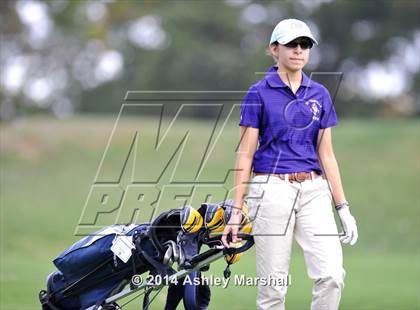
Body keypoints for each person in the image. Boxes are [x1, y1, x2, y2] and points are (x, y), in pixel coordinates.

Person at [221, 19, 358, 310]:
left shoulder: (319, 94)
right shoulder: (258, 93)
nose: (299, 50)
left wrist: (343, 207)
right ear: (274, 49)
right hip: (270, 189)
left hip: (314, 190)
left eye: (305, 45)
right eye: (292, 44)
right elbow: (245, 154)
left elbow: (327, 155)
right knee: (273, 288)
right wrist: (236, 210)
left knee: (332, 275)